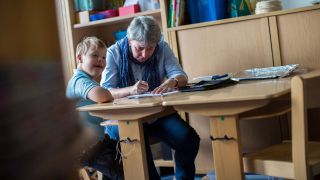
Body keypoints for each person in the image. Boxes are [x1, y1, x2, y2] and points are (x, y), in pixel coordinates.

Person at [100, 16, 200, 180]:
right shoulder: (114, 52)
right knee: (139, 150)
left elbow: (181, 76)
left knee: (188, 139)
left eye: (150, 48)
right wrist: (131, 90)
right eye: (140, 48)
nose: (144, 54)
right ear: (130, 40)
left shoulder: (162, 48)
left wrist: (172, 81)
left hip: (155, 115)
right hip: (122, 119)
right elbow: (105, 92)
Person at [66, 36, 124, 180]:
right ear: (80, 58)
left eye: (104, 57)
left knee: (125, 150)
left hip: (95, 141)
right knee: (126, 170)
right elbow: (101, 96)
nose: (101, 60)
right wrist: (109, 93)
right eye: (95, 55)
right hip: (85, 147)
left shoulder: (86, 80)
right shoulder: (79, 80)